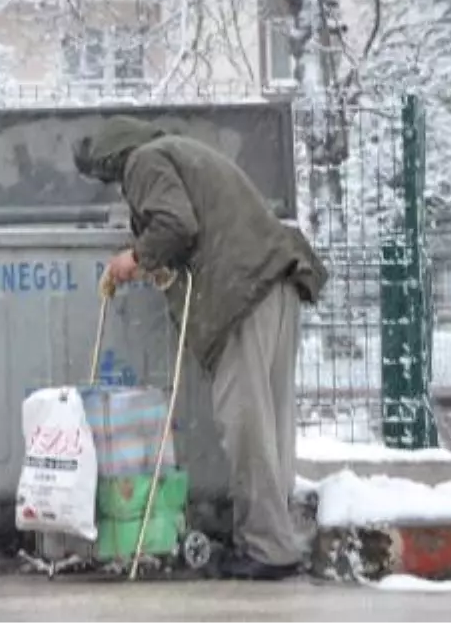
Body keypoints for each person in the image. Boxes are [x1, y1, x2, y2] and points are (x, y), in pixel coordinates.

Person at [73, 115, 328, 581]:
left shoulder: (145, 161)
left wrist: (134, 258)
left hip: (243, 293)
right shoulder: (180, 151)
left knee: (244, 422)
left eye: (109, 176)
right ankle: (274, 537)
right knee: (269, 423)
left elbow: (175, 225)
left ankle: (268, 551)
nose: (116, 186)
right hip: (277, 282)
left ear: (114, 156)